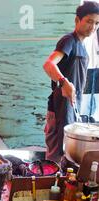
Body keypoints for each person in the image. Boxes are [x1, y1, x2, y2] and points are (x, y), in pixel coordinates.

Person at [43, 1, 99, 163]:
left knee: (66, 156)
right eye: (89, 21)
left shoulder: (82, 46)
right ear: (77, 21)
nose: (93, 27)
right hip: (59, 107)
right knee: (55, 157)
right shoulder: (69, 41)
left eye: (97, 23)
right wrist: (63, 82)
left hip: (71, 108)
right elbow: (49, 64)